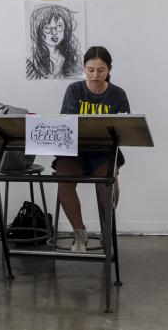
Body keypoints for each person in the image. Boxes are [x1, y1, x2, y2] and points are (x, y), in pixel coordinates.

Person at [54, 46, 130, 252]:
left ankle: (107, 234)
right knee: (64, 181)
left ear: (109, 70)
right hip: (74, 151)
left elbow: (124, 131)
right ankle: (80, 234)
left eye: (100, 70)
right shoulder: (74, 90)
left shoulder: (118, 95)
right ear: (83, 69)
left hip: (104, 151)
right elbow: (67, 126)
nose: (95, 75)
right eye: (90, 70)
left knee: (106, 186)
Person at [26, 4, 83, 80]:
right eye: (47, 28)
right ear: (38, 31)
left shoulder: (74, 59)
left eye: (59, 26)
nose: (54, 32)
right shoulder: (32, 63)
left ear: (65, 28)